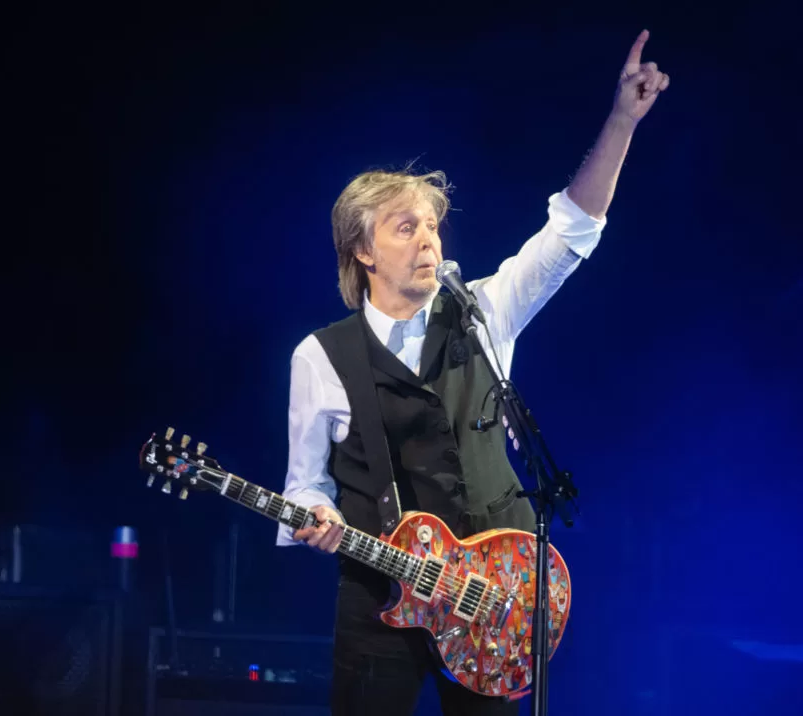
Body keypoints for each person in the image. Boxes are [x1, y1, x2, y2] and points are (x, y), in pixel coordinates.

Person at [276, 29, 669, 716]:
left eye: (433, 226)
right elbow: (306, 487)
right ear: (362, 251)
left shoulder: (482, 311)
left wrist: (621, 121)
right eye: (405, 228)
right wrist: (318, 521)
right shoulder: (321, 357)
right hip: (381, 603)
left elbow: (572, 230)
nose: (428, 239)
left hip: (491, 599)